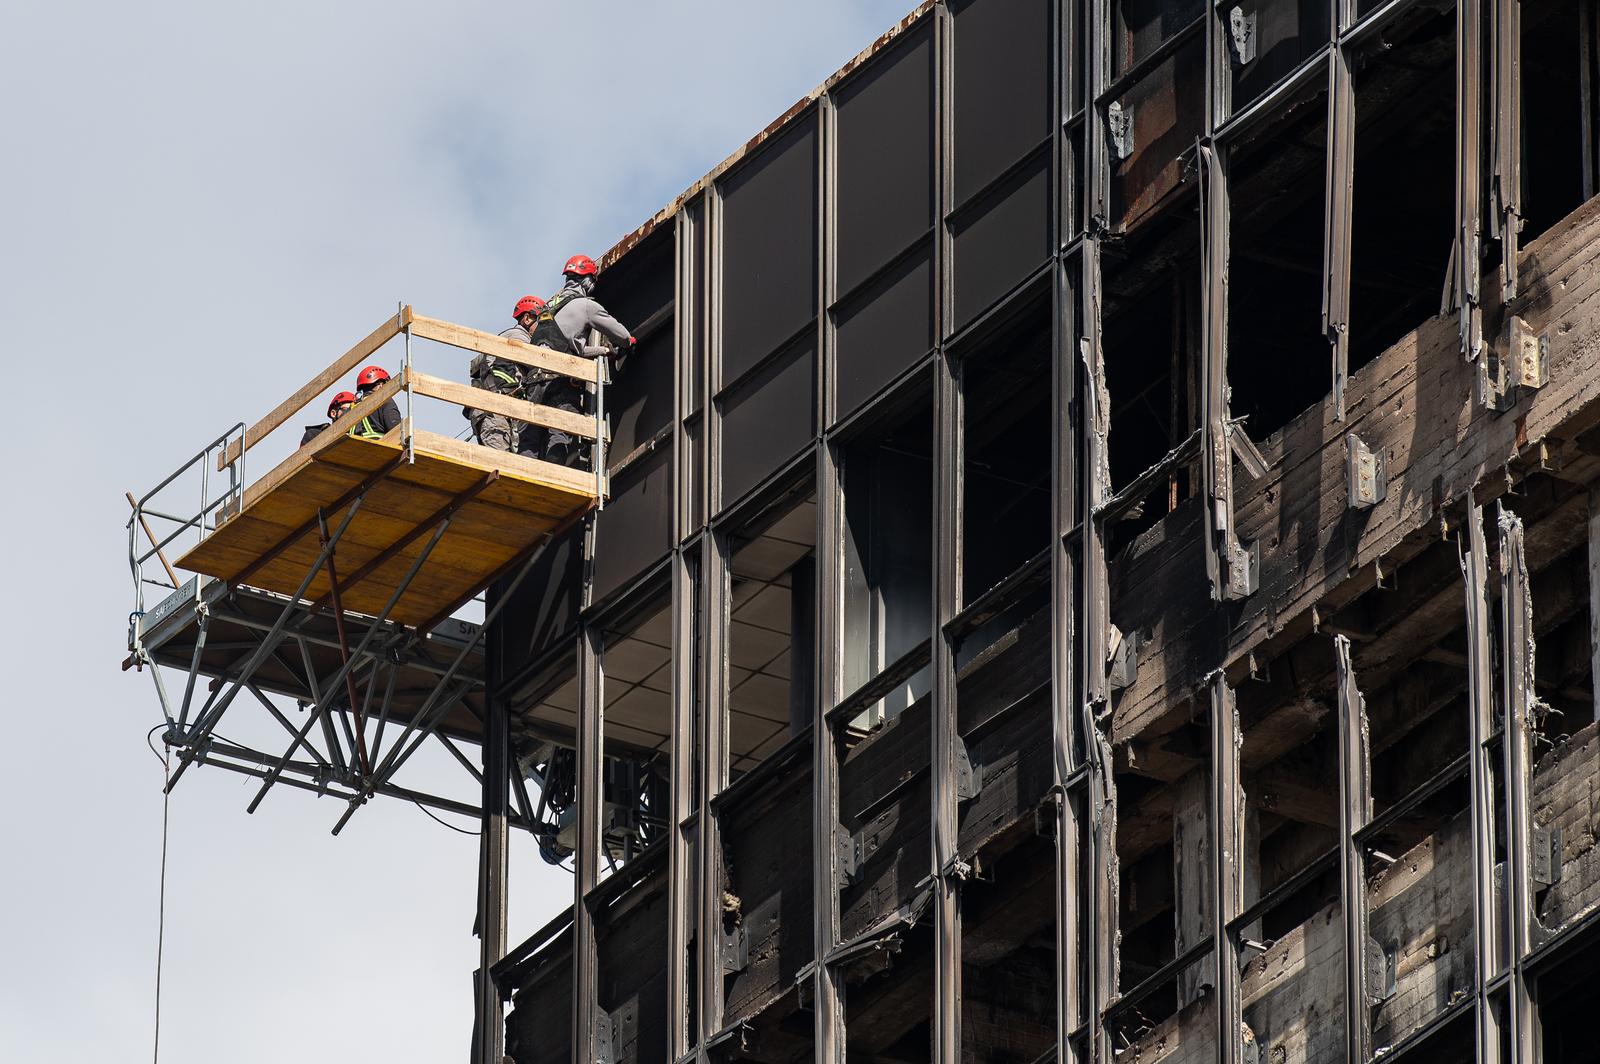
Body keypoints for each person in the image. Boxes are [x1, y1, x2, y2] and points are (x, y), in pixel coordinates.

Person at [526, 254, 638, 466]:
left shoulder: (548, 309)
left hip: (535, 380)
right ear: (587, 280)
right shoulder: (585, 305)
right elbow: (622, 335)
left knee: (531, 435)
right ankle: (554, 477)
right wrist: (627, 342)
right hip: (559, 379)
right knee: (560, 431)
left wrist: (602, 351)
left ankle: (521, 474)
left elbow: (569, 347)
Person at [465, 295, 544, 453]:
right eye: (540, 322)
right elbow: (540, 363)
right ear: (527, 318)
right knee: (500, 460)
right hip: (494, 412)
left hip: (495, 412)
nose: (543, 329)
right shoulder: (518, 336)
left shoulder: (511, 337)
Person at [349, 365, 403, 441]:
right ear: (381, 385)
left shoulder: (351, 408)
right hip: (377, 446)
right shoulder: (385, 400)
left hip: (352, 446)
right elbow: (396, 431)